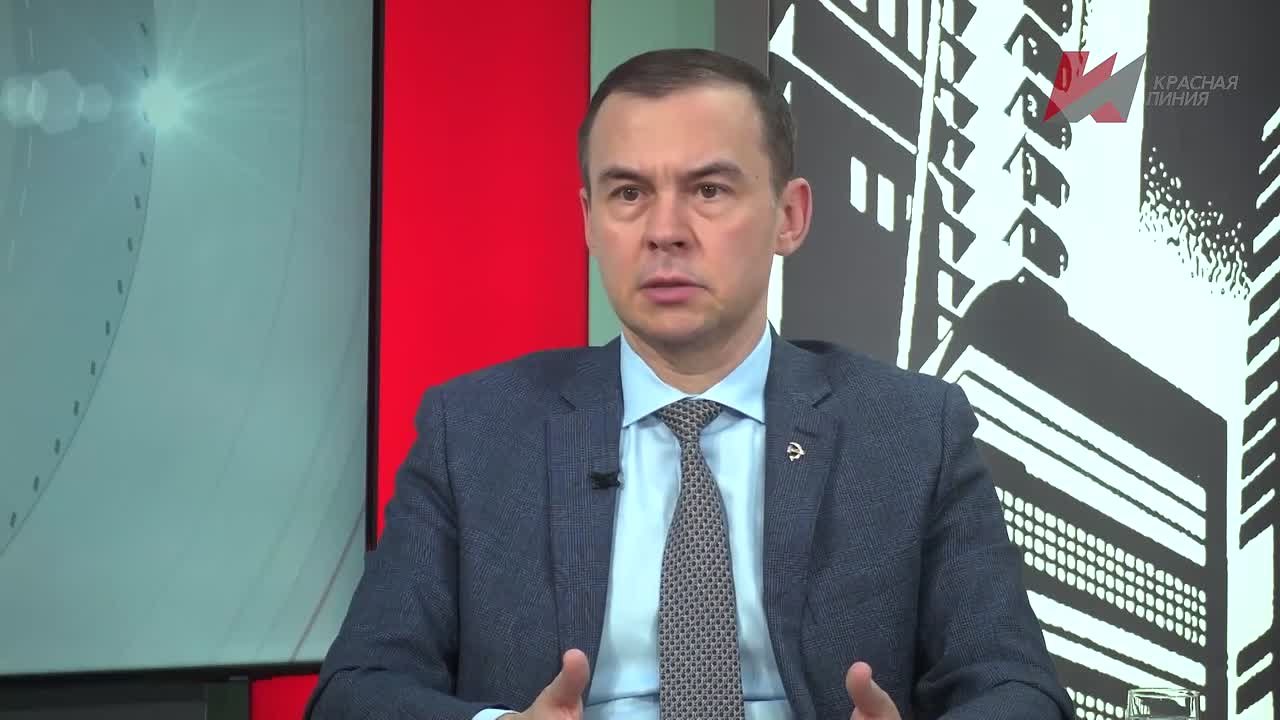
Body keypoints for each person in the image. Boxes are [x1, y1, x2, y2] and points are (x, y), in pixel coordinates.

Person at [305, 48, 1072, 720]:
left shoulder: (910, 429)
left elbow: (1018, 688)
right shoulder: (474, 430)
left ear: (789, 216)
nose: (664, 231)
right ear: (588, 221)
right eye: (628, 193)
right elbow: (356, 690)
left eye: (708, 190)